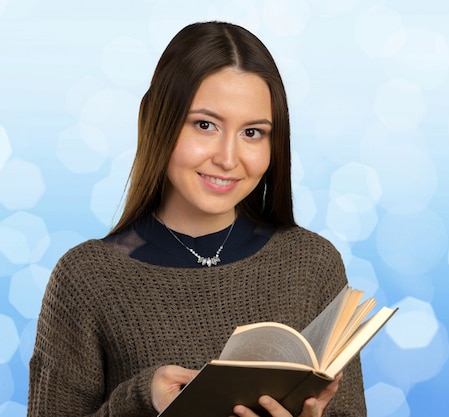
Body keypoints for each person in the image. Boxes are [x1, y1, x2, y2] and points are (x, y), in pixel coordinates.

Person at [27, 21, 367, 417]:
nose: (227, 157)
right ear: (159, 121)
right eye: (205, 125)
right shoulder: (87, 278)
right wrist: (139, 401)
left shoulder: (313, 263)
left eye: (253, 132)